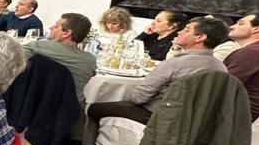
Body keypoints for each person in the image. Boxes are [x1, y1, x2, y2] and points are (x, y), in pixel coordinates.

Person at [87, 16, 228, 126]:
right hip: (194, 121)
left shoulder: (175, 63)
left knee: (93, 108)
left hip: (157, 117)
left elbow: (138, 98)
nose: (179, 32)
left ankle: (86, 144)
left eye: (187, 29)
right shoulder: (221, 68)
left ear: (200, 37)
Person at [23, 12, 97, 109]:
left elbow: (9, 61)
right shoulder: (90, 60)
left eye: (56, 26)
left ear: (67, 33)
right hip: (70, 113)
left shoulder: (37, 47)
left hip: (33, 106)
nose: (51, 28)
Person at [225, 11, 259, 121]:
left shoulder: (252, 53)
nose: (232, 26)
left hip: (235, 120)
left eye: (240, 23)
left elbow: (222, 86)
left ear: (256, 29)